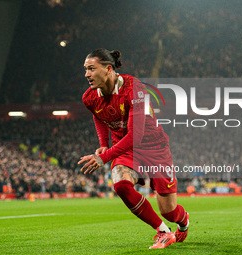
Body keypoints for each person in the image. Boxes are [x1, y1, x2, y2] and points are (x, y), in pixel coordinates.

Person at [78, 48, 189, 249]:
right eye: (85, 69)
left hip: (155, 149)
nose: (87, 74)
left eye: (91, 69)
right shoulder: (89, 97)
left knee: (169, 211)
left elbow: (135, 136)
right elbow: (98, 115)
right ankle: (163, 232)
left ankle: (183, 221)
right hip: (126, 150)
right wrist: (103, 144)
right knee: (120, 184)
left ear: (108, 69)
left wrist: (103, 157)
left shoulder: (134, 89)